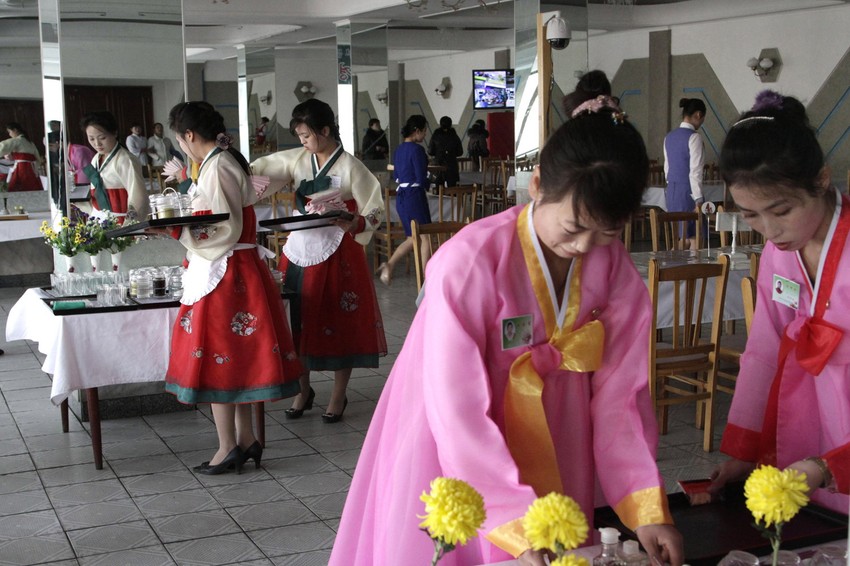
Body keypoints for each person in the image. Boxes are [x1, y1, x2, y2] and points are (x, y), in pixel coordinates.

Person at [329, 94, 683, 566]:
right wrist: (514, 523)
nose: (585, 246)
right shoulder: (469, 264)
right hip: (462, 445)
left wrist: (645, 509)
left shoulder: (613, 267)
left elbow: (625, 395)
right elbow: (456, 410)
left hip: (560, 434)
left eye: (608, 233)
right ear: (537, 185)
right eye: (574, 227)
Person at [709, 90, 850, 514]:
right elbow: (765, 348)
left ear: (822, 180)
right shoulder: (779, 253)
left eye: (781, 210)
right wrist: (743, 449)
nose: (769, 231)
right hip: (804, 424)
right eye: (751, 215)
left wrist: (831, 465)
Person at [163, 101, 303, 474]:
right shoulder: (221, 161)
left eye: (180, 141)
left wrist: (175, 228)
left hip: (226, 270)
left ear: (189, 136)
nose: (182, 148)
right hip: (233, 268)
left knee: (216, 355)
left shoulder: (217, 167)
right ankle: (243, 439)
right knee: (234, 357)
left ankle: (228, 446)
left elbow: (222, 228)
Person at [251, 98, 387, 424]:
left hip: (339, 249)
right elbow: (260, 169)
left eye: (307, 136)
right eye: (299, 137)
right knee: (298, 316)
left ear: (325, 131)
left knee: (339, 318)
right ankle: (303, 388)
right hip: (301, 248)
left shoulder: (352, 167)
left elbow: (375, 206)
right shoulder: (298, 160)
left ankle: (338, 393)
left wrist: (355, 221)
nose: (303, 142)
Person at [375, 115, 431, 286]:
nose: (425, 135)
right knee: (425, 236)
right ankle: (426, 278)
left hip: (401, 196)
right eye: (424, 131)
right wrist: (431, 180)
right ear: (417, 131)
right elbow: (422, 178)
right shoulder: (417, 150)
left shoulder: (399, 150)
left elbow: (398, 175)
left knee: (412, 237)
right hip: (414, 195)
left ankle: (389, 264)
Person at [81, 111, 149, 223]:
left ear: (115, 133)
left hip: (120, 222)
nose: (97, 144)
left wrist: (129, 227)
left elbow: (138, 198)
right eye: (91, 139)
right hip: (100, 220)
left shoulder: (126, 160)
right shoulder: (96, 159)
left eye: (102, 138)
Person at [663, 98, 706, 250]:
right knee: (695, 238)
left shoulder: (669, 137)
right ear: (698, 115)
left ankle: (673, 266)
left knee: (681, 238)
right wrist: (699, 199)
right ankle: (694, 271)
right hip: (689, 192)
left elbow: (667, 168)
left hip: (672, 192)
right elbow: (695, 171)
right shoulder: (694, 137)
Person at [0, 122, 42, 192]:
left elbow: (3, 147)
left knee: (19, 187)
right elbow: (37, 159)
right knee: (32, 186)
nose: (9, 134)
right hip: (31, 169)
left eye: (10, 132)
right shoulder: (30, 142)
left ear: (15, 130)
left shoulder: (17, 140)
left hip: (21, 168)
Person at [428, 115, 463, 187]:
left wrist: (438, 153)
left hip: (438, 165)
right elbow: (460, 152)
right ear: (450, 124)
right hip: (451, 165)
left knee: (438, 189)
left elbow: (430, 151)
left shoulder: (436, 135)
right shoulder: (454, 136)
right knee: (452, 190)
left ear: (440, 124)